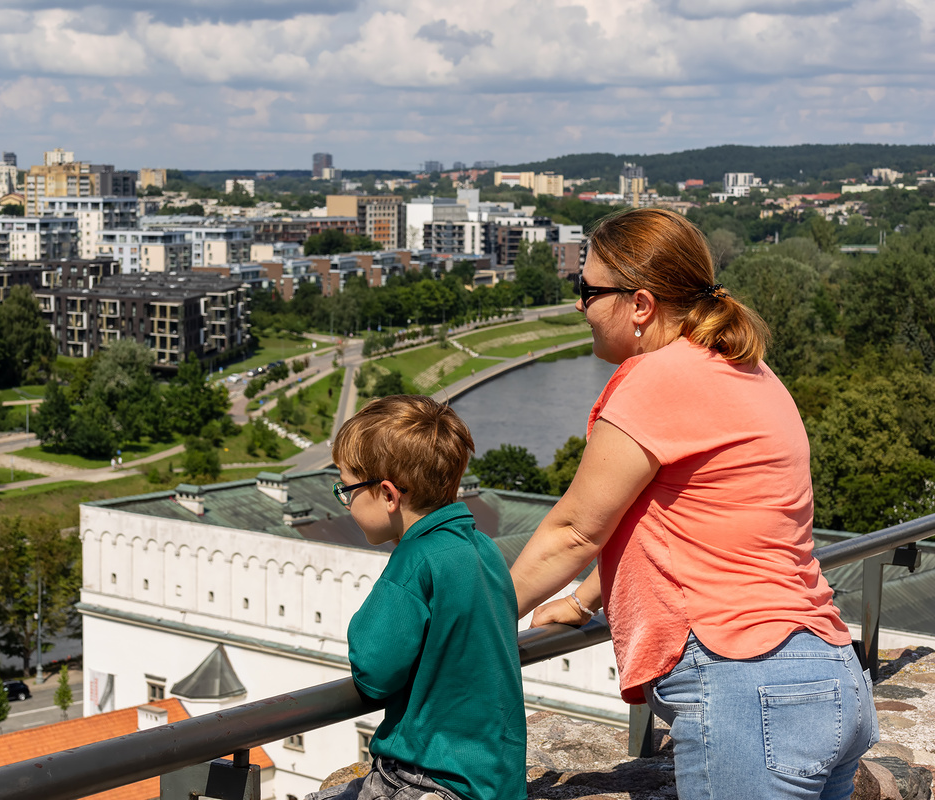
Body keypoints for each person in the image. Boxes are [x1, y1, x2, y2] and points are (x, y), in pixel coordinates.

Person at [510, 208, 877, 800]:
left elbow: (577, 528)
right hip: (826, 675)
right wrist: (583, 600)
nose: (580, 306)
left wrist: (480, 617)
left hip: (748, 686)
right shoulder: (746, 369)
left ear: (640, 304)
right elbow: (694, 523)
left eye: (588, 290)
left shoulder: (660, 378)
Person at [310, 395, 526, 800]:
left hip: (423, 778)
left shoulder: (415, 559)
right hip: (493, 780)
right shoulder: (484, 549)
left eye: (348, 489)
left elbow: (374, 671)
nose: (346, 501)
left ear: (388, 495)